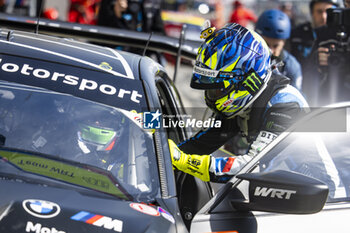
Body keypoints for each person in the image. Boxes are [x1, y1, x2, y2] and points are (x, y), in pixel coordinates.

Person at [168, 23, 308, 183]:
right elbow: (203, 143)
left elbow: (252, 167)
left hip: (322, 194)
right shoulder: (247, 101)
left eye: (218, 88)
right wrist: (163, 151)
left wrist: (184, 161)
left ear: (245, 81)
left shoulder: (287, 105)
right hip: (283, 187)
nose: (213, 95)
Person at [255, 9, 303, 91]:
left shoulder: (291, 66)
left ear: (284, 43)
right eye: (266, 45)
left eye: (276, 46)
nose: (271, 51)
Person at [289, 0, 338, 65]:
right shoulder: (297, 34)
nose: (324, 17)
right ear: (312, 13)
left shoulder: (341, 37)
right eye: (319, 12)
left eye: (328, 12)